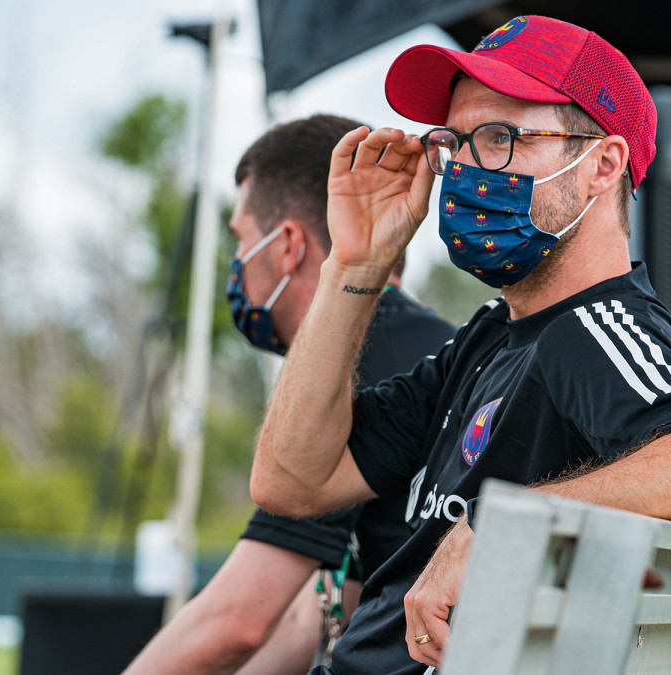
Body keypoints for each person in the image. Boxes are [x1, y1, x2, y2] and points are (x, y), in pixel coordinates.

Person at [247, 16, 671, 674]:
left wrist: (503, 524)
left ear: (603, 165)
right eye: (457, 142)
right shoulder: (486, 339)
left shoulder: (594, 327)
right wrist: (353, 266)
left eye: (501, 137)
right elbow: (290, 481)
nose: (466, 169)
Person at [123, 115, 455, 675]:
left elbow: (233, 624)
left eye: (240, 240)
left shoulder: (358, 362)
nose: (237, 264)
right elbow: (305, 623)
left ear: (287, 246)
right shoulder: (421, 342)